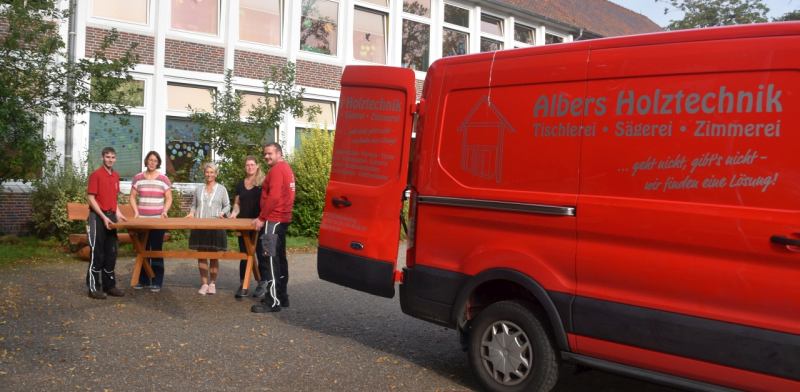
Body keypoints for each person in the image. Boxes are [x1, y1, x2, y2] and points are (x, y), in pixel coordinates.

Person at [251, 143, 295, 313]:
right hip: (282, 219)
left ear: (279, 153)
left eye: (269, 153)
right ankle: (282, 297)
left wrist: (262, 218)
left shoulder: (277, 170)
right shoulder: (286, 168)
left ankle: (273, 301)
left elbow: (275, 196)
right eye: (265, 154)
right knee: (279, 260)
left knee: (270, 259)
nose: (266, 156)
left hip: (273, 220)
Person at [86, 147, 128, 299]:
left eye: (112, 157)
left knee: (111, 252)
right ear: (102, 157)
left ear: (115, 159)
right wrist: (103, 217)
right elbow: (91, 198)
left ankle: (109, 286)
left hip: (112, 218)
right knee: (98, 253)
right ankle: (93, 288)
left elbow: (113, 199)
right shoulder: (96, 175)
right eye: (107, 157)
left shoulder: (116, 176)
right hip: (98, 218)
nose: (110, 159)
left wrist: (119, 213)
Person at [129, 151, 173, 292]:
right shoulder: (138, 178)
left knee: (156, 250)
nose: (152, 162)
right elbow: (132, 197)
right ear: (146, 161)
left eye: (155, 160)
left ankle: (157, 281)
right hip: (142, 221)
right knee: (143, 249)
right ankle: (143, 280)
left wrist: (164, 211)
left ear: (158, 162)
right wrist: (136, 212)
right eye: (150, 160)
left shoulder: (163, 179)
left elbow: (169, 198)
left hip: (158, 221)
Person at [186, 162, 230, 295]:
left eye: (212, 172)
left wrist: (223, 213)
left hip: (216, 226)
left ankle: (212, 283)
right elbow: (194, 205)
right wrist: (191, 213)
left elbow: (227, 205)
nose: (209, 174)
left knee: (214, 256)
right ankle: (204, 283)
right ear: (204, 173)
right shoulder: (199, 189)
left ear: (216, 174)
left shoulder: (222, 189)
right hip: (199, 226)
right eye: (207, 172)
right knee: (201, 256)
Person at [228, 156, 268, 299]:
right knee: (244, 255)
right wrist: (233, 213)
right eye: (247, 165)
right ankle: (243, 284)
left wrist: (262, 219)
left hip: (259, 225)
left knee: (261, 254)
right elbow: (237, 204)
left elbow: (268, 203)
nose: (250, 167)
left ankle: (263, 283)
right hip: (243, 226)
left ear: (257, 166)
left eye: (252, 164)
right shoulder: (240, 184)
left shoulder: (263, 183)